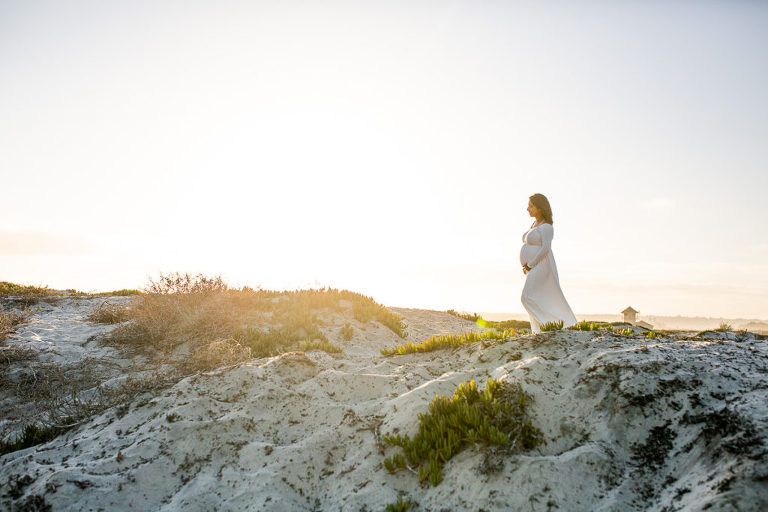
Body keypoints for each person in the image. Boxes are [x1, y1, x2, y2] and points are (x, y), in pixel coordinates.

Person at [520, 193, 577, 333]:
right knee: (536, 296)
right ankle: (538, 331)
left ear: (540, 208)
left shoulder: (547, 227)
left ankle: (551, 325)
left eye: (531, 206)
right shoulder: (534, 225)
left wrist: (530, 264)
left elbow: (546, 248)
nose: (527, 209)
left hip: (541, 265)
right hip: (532, 267)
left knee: (527, 297)